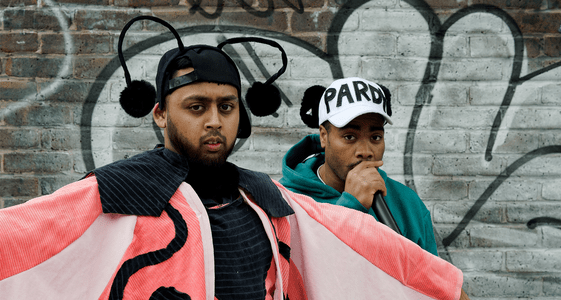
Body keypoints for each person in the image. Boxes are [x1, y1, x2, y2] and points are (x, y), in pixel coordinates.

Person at [0, 17, 466, 300]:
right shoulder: (117, 190)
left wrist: (441, 285)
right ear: (160, 113)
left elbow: (351, 244)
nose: (215, 122)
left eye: (226, 107)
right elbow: (24, 234)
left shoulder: (265, 196)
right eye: (196, 107)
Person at [281, 77, 438, 255]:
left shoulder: (407, 203)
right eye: (349, 136)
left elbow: (429, 280)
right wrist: (351, 206)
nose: (365, 151)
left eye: (375, 137)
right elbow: (303, 274)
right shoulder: (287, 201)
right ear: (324, 137)